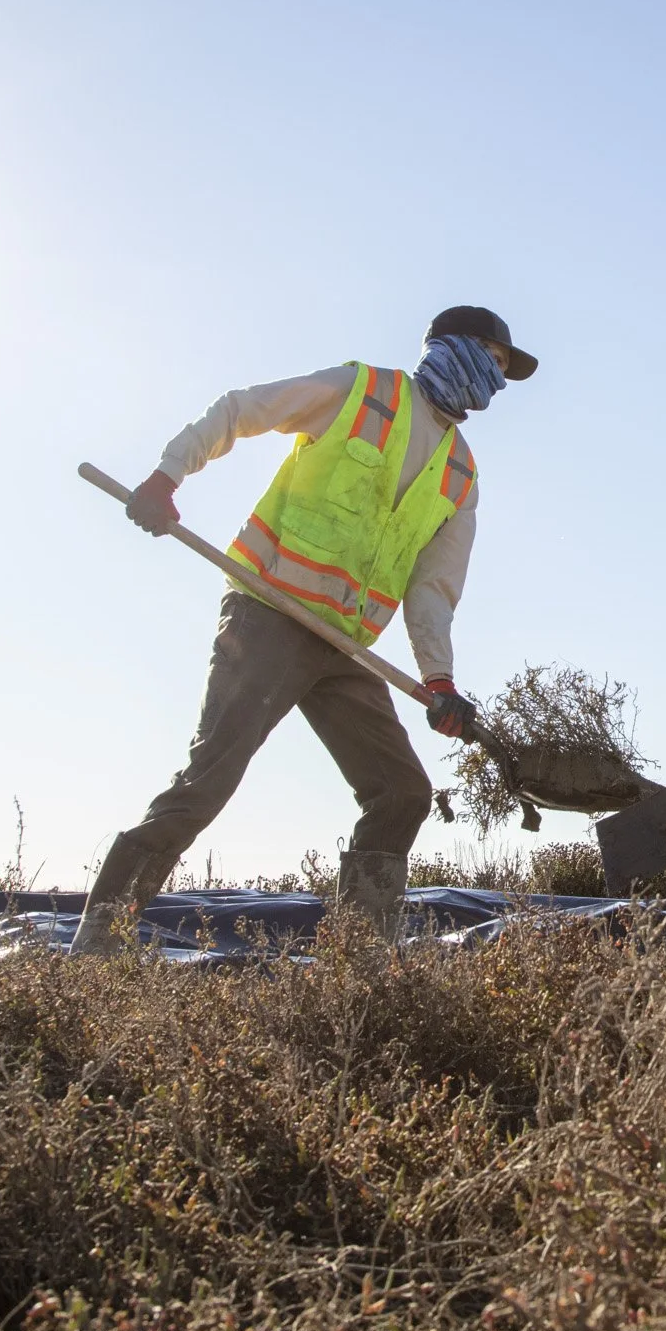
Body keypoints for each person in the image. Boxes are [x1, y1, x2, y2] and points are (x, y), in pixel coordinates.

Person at [70, 307, 536, 951]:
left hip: (345, 650)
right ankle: (98, 944)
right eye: (494, 358)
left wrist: (439, 679)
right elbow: (242, 410)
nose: (497, 378)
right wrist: (167, 474)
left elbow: (432, 589)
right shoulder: (360, 391)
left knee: (402, 792)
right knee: (210, 778)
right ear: (455, 347)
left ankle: (358, 958)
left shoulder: (461, 474)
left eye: (505, 371)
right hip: (269, 615)